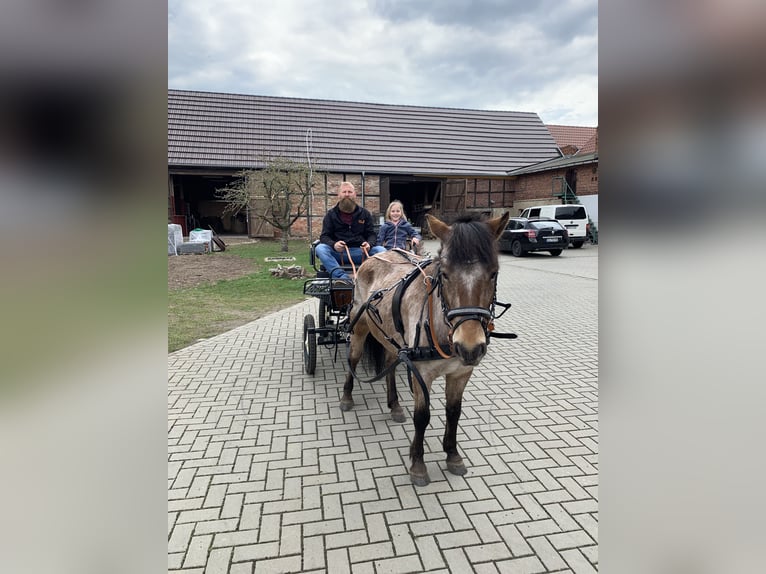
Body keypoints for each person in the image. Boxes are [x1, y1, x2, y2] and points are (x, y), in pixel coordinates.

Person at [315, 181, 386, 282]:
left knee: (381, 250)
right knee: (320, 248)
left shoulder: (364, 214)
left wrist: (369, 244)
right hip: (339, 254)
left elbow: (372, 235)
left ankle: (369, 278)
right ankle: (342, 278)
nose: (347, 194)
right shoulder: (330, 215)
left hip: (361, 253)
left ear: (355, 194)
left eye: (350, 192)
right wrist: (334, 244)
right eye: (344, 192)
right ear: (339, 195)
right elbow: (324, 237)